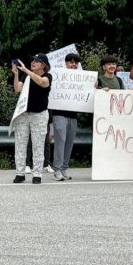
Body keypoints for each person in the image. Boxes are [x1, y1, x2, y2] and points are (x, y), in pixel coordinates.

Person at [12, 54, 53, 184]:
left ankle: (37, 174)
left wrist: (26, 70)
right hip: (24, 113)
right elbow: (17, 88)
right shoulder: (27, 75)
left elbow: (42, 83)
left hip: (39, 114)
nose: (33, 62)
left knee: (38, 144)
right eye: (33, 60)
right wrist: (17, 74)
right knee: (20, 143)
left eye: (37, 61)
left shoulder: (47, 76)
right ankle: (20, 173)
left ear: (43, 65)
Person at [50, 52, 82, 181]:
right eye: (71, 62)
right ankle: (57, 169)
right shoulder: (59, 75)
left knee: (69, 143)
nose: (73, 64)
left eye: (76, 62)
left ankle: (63, 168)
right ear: (66, 63)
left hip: (73, 115)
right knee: (60, 142)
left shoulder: (81, 77)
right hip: (59, 114)